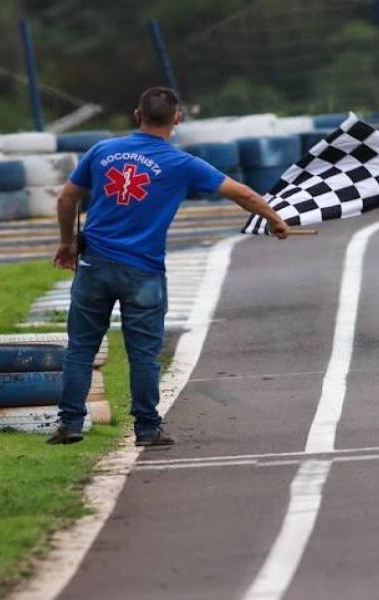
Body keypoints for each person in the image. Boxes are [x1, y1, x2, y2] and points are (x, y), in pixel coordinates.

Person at [47, 87, 291, 446]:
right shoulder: (181, 162)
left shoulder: (102, 151)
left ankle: (70, 424)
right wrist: (274, 219)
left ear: (137, 115)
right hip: (143, 270)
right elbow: (243, 193)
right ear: (177, 118)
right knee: (143, 354)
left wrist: (67, 242)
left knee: (81, 348)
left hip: (94, 264)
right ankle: (146, 429)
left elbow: (67, 196)